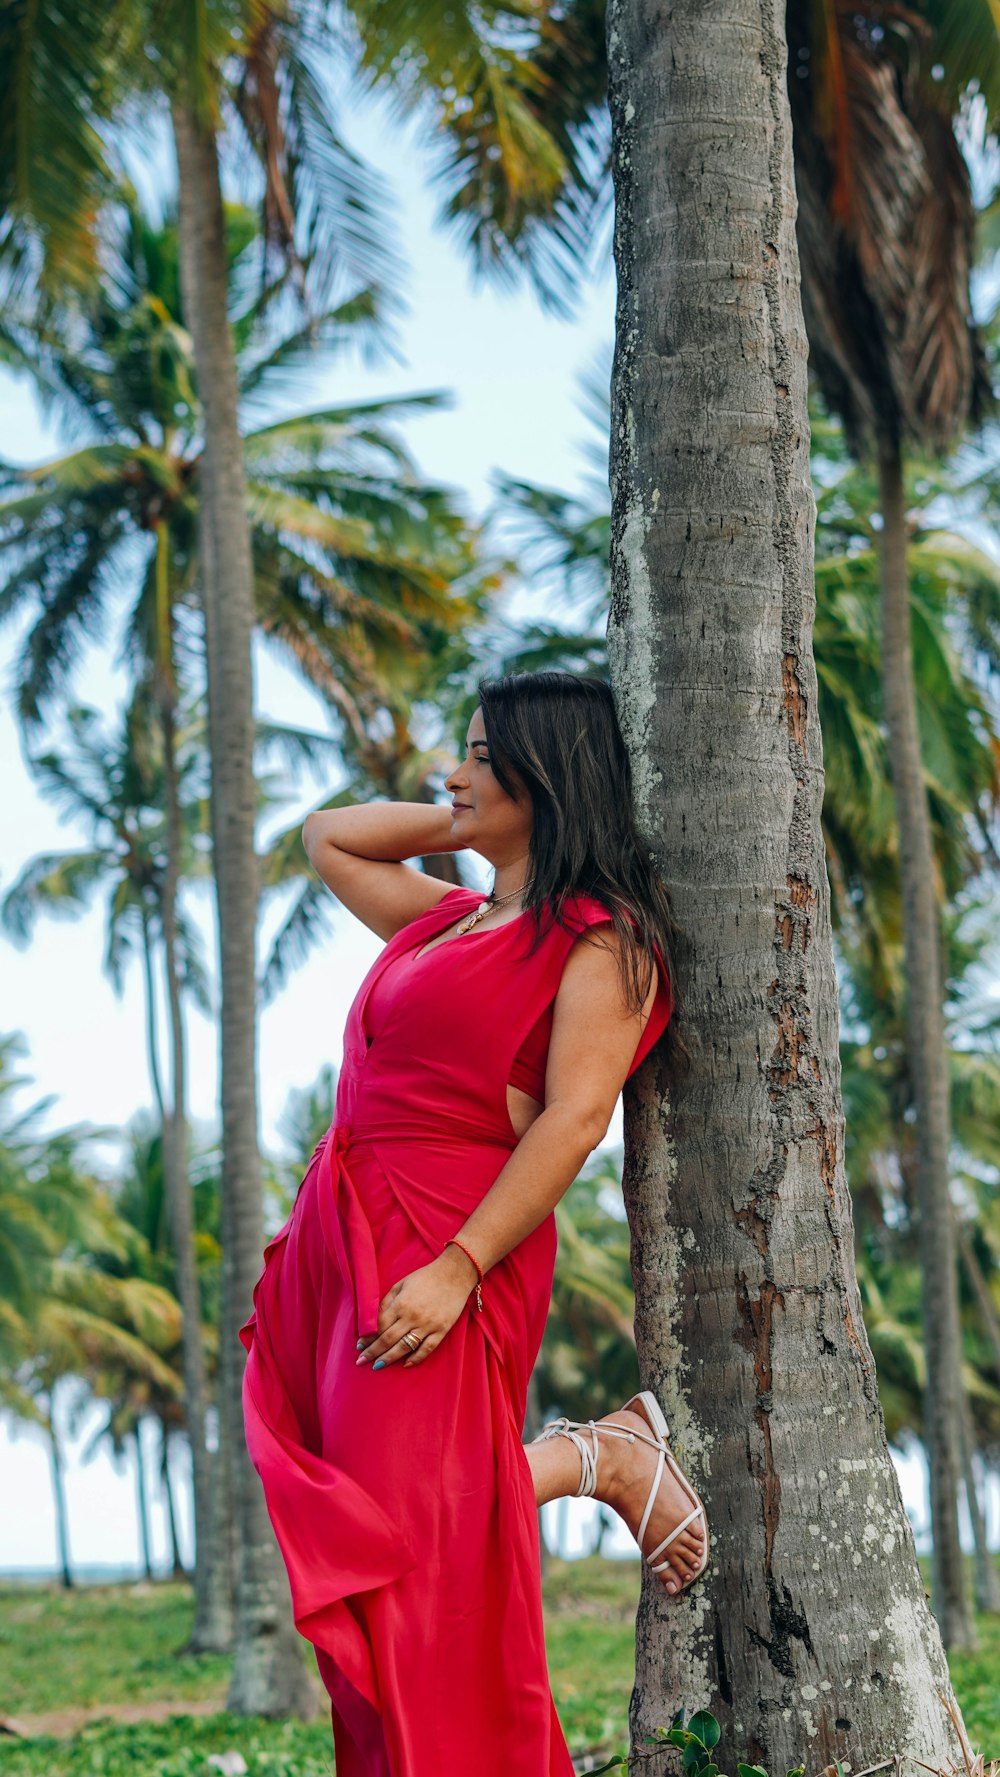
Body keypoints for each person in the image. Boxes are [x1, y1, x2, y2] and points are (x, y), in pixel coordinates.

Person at [239, 670, 708, 1777]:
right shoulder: (452, 916)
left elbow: (575, 1116)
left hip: (451, 1232)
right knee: (374, 1512)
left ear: (550, 778)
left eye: (484, 758)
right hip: (341, 1232)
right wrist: (463, 814)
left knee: (417, 1529)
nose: (453, 774)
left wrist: (457, 1265)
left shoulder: (602, 940)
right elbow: (332, 839)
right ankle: (600, 1457)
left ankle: (599, 1455)